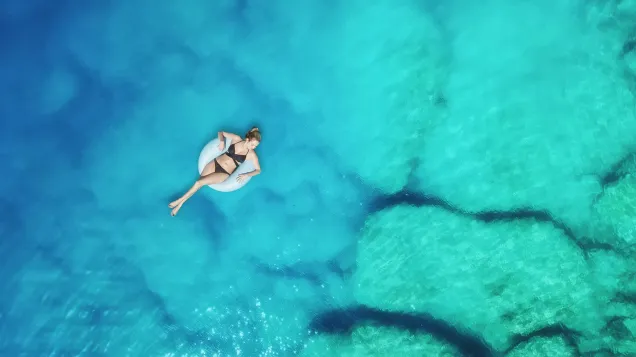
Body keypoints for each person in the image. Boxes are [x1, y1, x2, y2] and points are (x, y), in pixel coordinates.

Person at [169, 127, 262, 216]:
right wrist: (222, 141)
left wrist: (247, 175)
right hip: (215, 162)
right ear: (248, 139)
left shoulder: (251, 154)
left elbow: (258, 170)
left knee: (198, 182)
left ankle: (179, 202)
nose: (253, 147)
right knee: (198, 184)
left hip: (224, 173)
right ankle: (180, 204)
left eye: (255, 146)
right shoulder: (237, 139)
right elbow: (220, 132)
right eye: (253, 144)